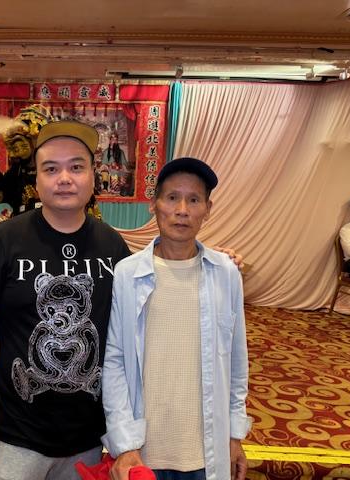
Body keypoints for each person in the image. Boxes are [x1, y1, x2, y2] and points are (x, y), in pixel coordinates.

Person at [0, 120, 132, 480]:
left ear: (93, 177)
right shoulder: (5, 239)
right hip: (18, 433)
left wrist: (207, 260)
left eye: (76, 167)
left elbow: (141, 315)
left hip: (87, 434)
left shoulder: (112, 246)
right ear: (36, 180)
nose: (64, 179)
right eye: (51, 169)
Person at [101, 157, 251, 480]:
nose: (182, 210)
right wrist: (125, 443)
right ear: (154, 205)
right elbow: (114, 361)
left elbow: (237, 362)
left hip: (206, 452)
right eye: (172, 198)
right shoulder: (127, 273)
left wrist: (234, 435)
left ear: (208, 209)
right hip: (144, 452)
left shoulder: (226, 274)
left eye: (194, 200)